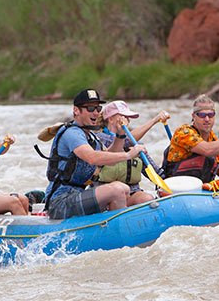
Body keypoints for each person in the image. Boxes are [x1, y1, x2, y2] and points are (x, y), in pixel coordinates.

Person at [44, 88, 146, 219]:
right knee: (118, 189)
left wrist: (120, 135)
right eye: (90, 108)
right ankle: (117, 232)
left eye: (98, 108)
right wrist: (128, 155)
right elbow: (92, 158)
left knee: (125, 189)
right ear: (76, 110)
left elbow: (111, 161)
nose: (96, 112)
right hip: (59, 202)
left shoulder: (92, 137)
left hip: (79, 195)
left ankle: (114, 229)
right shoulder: (72, 133)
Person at [162, 94, 219, 187]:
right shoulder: (184, 132)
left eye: (210, 115)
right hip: (175, 190)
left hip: (202, 194)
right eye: (202, 115)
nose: (207, 119)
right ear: (194, 116)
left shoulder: (218, 145)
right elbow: (207, 150)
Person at [93, 100, 170, 206]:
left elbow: (153, 171)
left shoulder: (136, 144)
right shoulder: (98, 139)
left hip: (132, 193)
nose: (127, 121)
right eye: (123, 117)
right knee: (118, 192)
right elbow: (122, 142)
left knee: (147, 198)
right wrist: (154, 121)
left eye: (128, 118)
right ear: (110, 119)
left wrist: (171, 182)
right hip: (106, 196)